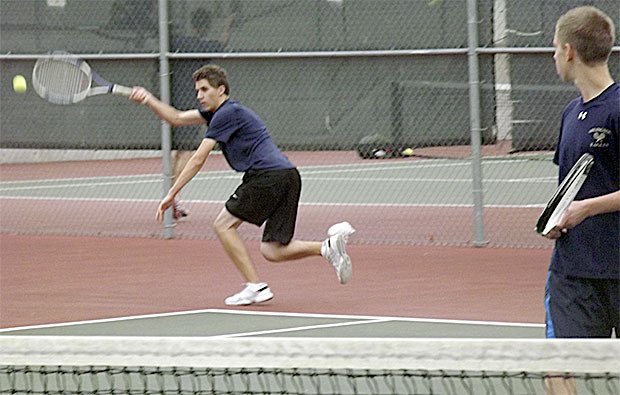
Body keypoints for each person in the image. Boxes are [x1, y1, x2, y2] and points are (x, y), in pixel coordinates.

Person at [129, 64, 355, 305]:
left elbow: (198, 158)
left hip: (267, 176)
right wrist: (149, 99)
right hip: (287, 175)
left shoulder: (227, 113)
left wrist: (172, 193)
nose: (199, 96)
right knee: (272, 250)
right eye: (197, 91)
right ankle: (327, 247)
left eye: (204, 90)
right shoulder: (219, 114)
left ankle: (255, 287)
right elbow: (175, 117)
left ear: (221, 89)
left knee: (224, 225)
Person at [545, 5, 619, 340]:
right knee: (559, 366)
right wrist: (557, 216)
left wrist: (585, 209)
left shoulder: (617, 108)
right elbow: (570, 189)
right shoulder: (569, 113)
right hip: (573, 272)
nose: (554, 55)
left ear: (568, 51)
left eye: (555, 47)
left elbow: (583, 203)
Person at [169, 8, 236, 219]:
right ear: (206, 26)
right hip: (187, 104)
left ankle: (172, 195)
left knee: (177, 151)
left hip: (174, 100)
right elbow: (222, 44)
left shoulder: (180, 43)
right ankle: (174, 197)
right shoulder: (203, 46)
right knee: (186, 152)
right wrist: (228, 24)